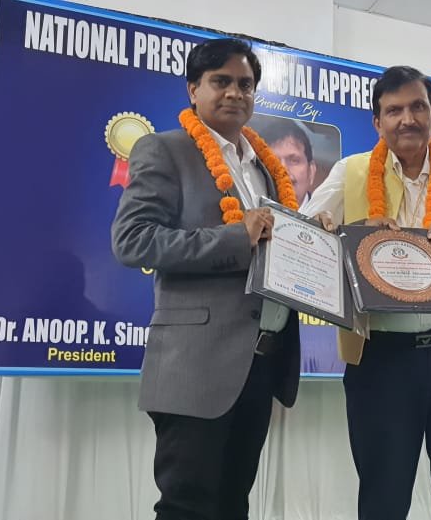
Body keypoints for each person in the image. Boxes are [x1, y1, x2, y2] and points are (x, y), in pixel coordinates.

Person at [303, 65, 431, 519]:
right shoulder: (350, 172)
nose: (407, 119)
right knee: (382, 499)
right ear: (377, 122)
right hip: (381, 358)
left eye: (418, 106)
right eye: (394, 110)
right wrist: (352, 230)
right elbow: (305, 234)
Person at [110, 38, 301, 520]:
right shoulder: (164, 150)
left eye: (245, 84)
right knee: (187, 508)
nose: (235, 93)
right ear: (194, 89)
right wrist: (236, 238)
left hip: (260, 362)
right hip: (195, 365)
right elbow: (133, 241)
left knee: (234, 503)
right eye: (221, 81)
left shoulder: (267, 171)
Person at [257, 117, 319, 203]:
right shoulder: (245, 211)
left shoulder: (333, 213)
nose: (283, 171)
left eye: (294, 161)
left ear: (311, 172)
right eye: (273, 161)